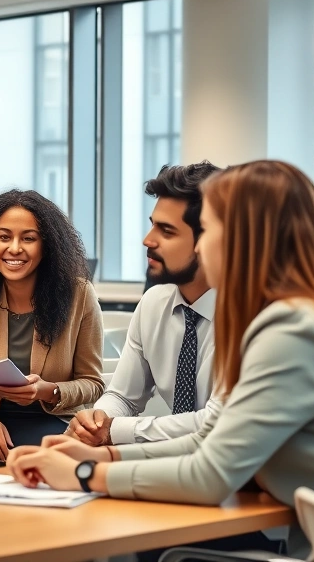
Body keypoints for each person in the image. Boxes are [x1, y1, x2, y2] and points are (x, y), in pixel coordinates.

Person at [6, 160, 314, 560]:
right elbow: (208, 439)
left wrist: (83, 475)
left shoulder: (295, 329)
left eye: (209, 229)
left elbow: (211, 475)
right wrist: (102, 455)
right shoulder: (304, 315)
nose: (200, 246)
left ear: (243, 239)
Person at [0, 189, 104, 474]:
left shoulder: (80, 295)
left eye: (28, 238)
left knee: (36, 468)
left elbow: (93, 383)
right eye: (4, 237)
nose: (14, 248)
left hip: (54, 419)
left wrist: (46, 391)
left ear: (46, 245)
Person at [68, 162, 221, 447]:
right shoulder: (154, 304)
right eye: (152, 225)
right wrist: (96, 421)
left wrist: (114, 431)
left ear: (211, 241)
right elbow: (124, 396)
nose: (147, 240)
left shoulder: (252, 316)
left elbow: (216, 423)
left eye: (167, 231)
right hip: (177, 466)